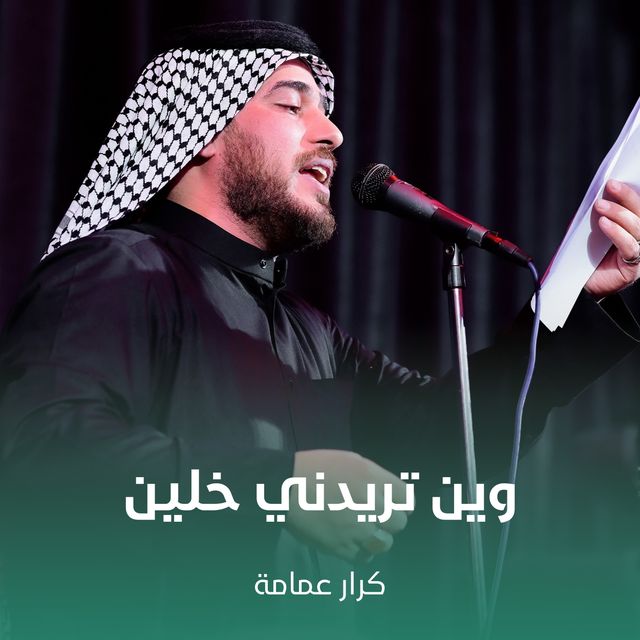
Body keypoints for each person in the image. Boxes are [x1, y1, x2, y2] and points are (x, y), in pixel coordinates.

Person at [0, 19, 638, 640]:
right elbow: (40, 456)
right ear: (199, 127)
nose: (333, 133)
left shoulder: (309, 333)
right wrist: (276, 486)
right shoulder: (115, 270)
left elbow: (455, 437)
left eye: (327, 112)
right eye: (292, 104)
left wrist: (574, 296)